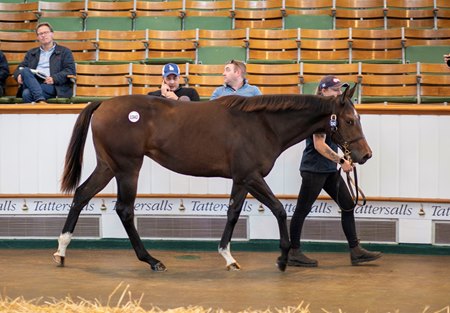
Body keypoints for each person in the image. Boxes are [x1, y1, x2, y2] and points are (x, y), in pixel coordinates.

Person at [288, 75, 382, 267]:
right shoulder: (317, 113)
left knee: (347, 205)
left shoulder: (332, 113)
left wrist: (344, 156)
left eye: (340, 90)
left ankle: (355, 251)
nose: (339, 93)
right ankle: (293, 252)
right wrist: (341, 161)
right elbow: (319, 145)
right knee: (302, 210)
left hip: (329, 169)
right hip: (314, 169)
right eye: (335, 90)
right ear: (323, 91)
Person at [13, 22, 76, 103]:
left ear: (52, 34)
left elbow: (70, 70)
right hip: (34, 80)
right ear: (38, 37)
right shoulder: (31, 53)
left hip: (51, 84)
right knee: (24, 70)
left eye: (46, 32)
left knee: (26, 94)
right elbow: (19, 69)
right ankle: (40, 99)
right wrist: (18, 75)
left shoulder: (64, 51)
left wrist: (54, 78)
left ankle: (38, 100)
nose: (43, 35)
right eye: (40, 34)